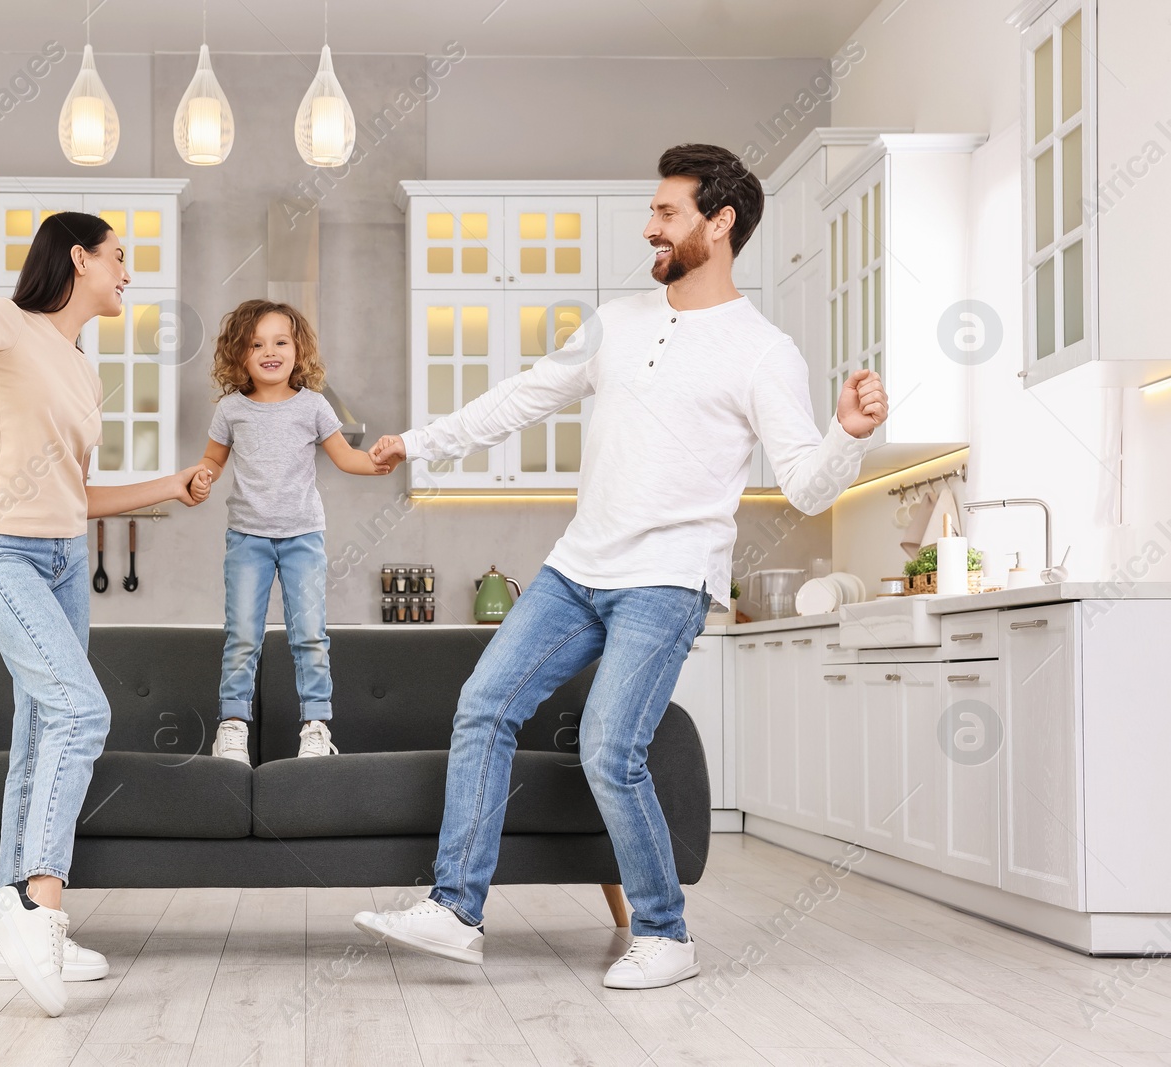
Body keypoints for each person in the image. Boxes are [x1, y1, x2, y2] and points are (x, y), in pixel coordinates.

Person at [353, 144, 889, 990]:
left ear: (721, 222)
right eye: (653, 210)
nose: (650, 225)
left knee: (610, 747)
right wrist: (418, 443)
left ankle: (666, 933)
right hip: (576, 570)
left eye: (668, 212)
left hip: (668, 579)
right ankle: (457, 911)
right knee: (484, 706)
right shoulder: (618, 319)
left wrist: (848, 437)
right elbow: (525, 395)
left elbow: (806, 486)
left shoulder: (763, 351)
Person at [0, 130, 213, 1018]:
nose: (127, 273)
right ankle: (37, 912)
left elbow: (75, 495)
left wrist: (169, 486)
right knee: (83, 709)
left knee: (43, 732)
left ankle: (12, 940)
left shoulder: (77, 364)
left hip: (65, 558)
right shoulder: (1, 321)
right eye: (119, 259)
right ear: (79, 257)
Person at [196, 300, 390, 764]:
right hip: (247, 538)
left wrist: (378, 462)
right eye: (256, 343)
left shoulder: (314, 407)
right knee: (243, 633)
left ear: (297, 350)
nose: (270, 351)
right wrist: (202, 476)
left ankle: (316, 727)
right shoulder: (230, 410)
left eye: (280, 341)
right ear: (239, 355)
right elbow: (212, 461)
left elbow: (346, 457)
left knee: (309, 634)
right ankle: (233, 727)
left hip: (303, 537)